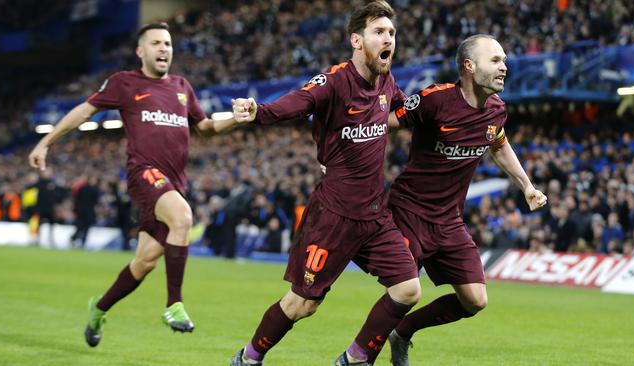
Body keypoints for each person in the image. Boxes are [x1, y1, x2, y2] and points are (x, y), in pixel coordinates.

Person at [28, 22, 244, 347]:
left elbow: (206, 127)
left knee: (144, 262)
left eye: (168, 44)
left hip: (172, 184)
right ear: (141, 51)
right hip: (144, 174)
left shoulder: (182, 87)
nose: (163, 49)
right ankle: (174, 305)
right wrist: (46, 142)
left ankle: (98, 309)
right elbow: (84, 112)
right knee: (183, 218)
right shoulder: (125, 82)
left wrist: (237, 119)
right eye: (156, 43)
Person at [229, 2, 421, 365]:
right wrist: (259, 112)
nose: (389, 40)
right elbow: (299, 102)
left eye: (392, 33)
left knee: (408, 289)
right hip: (332, 217)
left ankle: (354, 359)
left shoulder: (387, 81)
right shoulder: (335, 81)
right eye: (379, 32)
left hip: (374, 217)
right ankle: (248, 358)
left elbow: (403, 111)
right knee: (303, 304)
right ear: (356, 40)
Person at [384, 34, 548, 365]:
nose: (504, 67)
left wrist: (526, 186)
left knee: (475, 300)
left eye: (504, 60)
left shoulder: (496, 111)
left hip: (449, 219)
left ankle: (402, 332)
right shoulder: (435, 100)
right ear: (469, 67)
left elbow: (499, 145)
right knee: (404, 291)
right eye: (496, 60)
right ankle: (359, 356)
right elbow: (384, 122)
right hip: (409, 212)